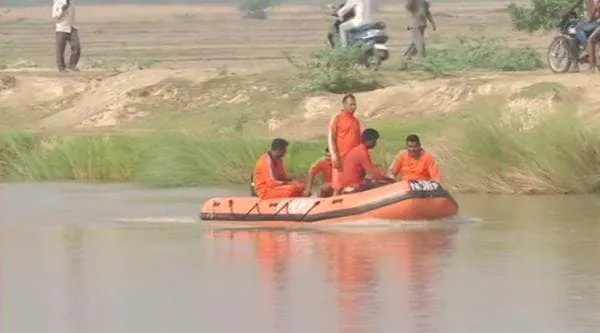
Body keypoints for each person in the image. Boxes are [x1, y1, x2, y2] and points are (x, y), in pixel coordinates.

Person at [338, 128, 393, 193]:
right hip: (354, 185)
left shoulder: (357, 149)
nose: (376, 143)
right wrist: (390, 180)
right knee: (384, 186)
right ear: (371, 141)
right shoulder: (362, 152)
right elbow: (374, 174)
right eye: (375, 141)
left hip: (348, 184)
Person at [328, 94, 363, 196]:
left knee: (353, 187)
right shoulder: (337, 118)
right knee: (338, 187)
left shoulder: (356, 121)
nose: (354, 107)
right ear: (344, 105)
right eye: (351, 104)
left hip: (353, 161)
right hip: (341, 158)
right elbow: (331, 138)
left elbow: (359, 140)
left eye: (355, 104)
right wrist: (334, 156)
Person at [52, 0, 81, 72]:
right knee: (60, 50)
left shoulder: (71, 3)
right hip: (61, 28)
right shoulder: (58, 3)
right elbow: (54, 16)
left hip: (72, 27)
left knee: (76, 47)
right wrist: (62, 9)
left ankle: (71, 65)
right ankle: (61, 68)